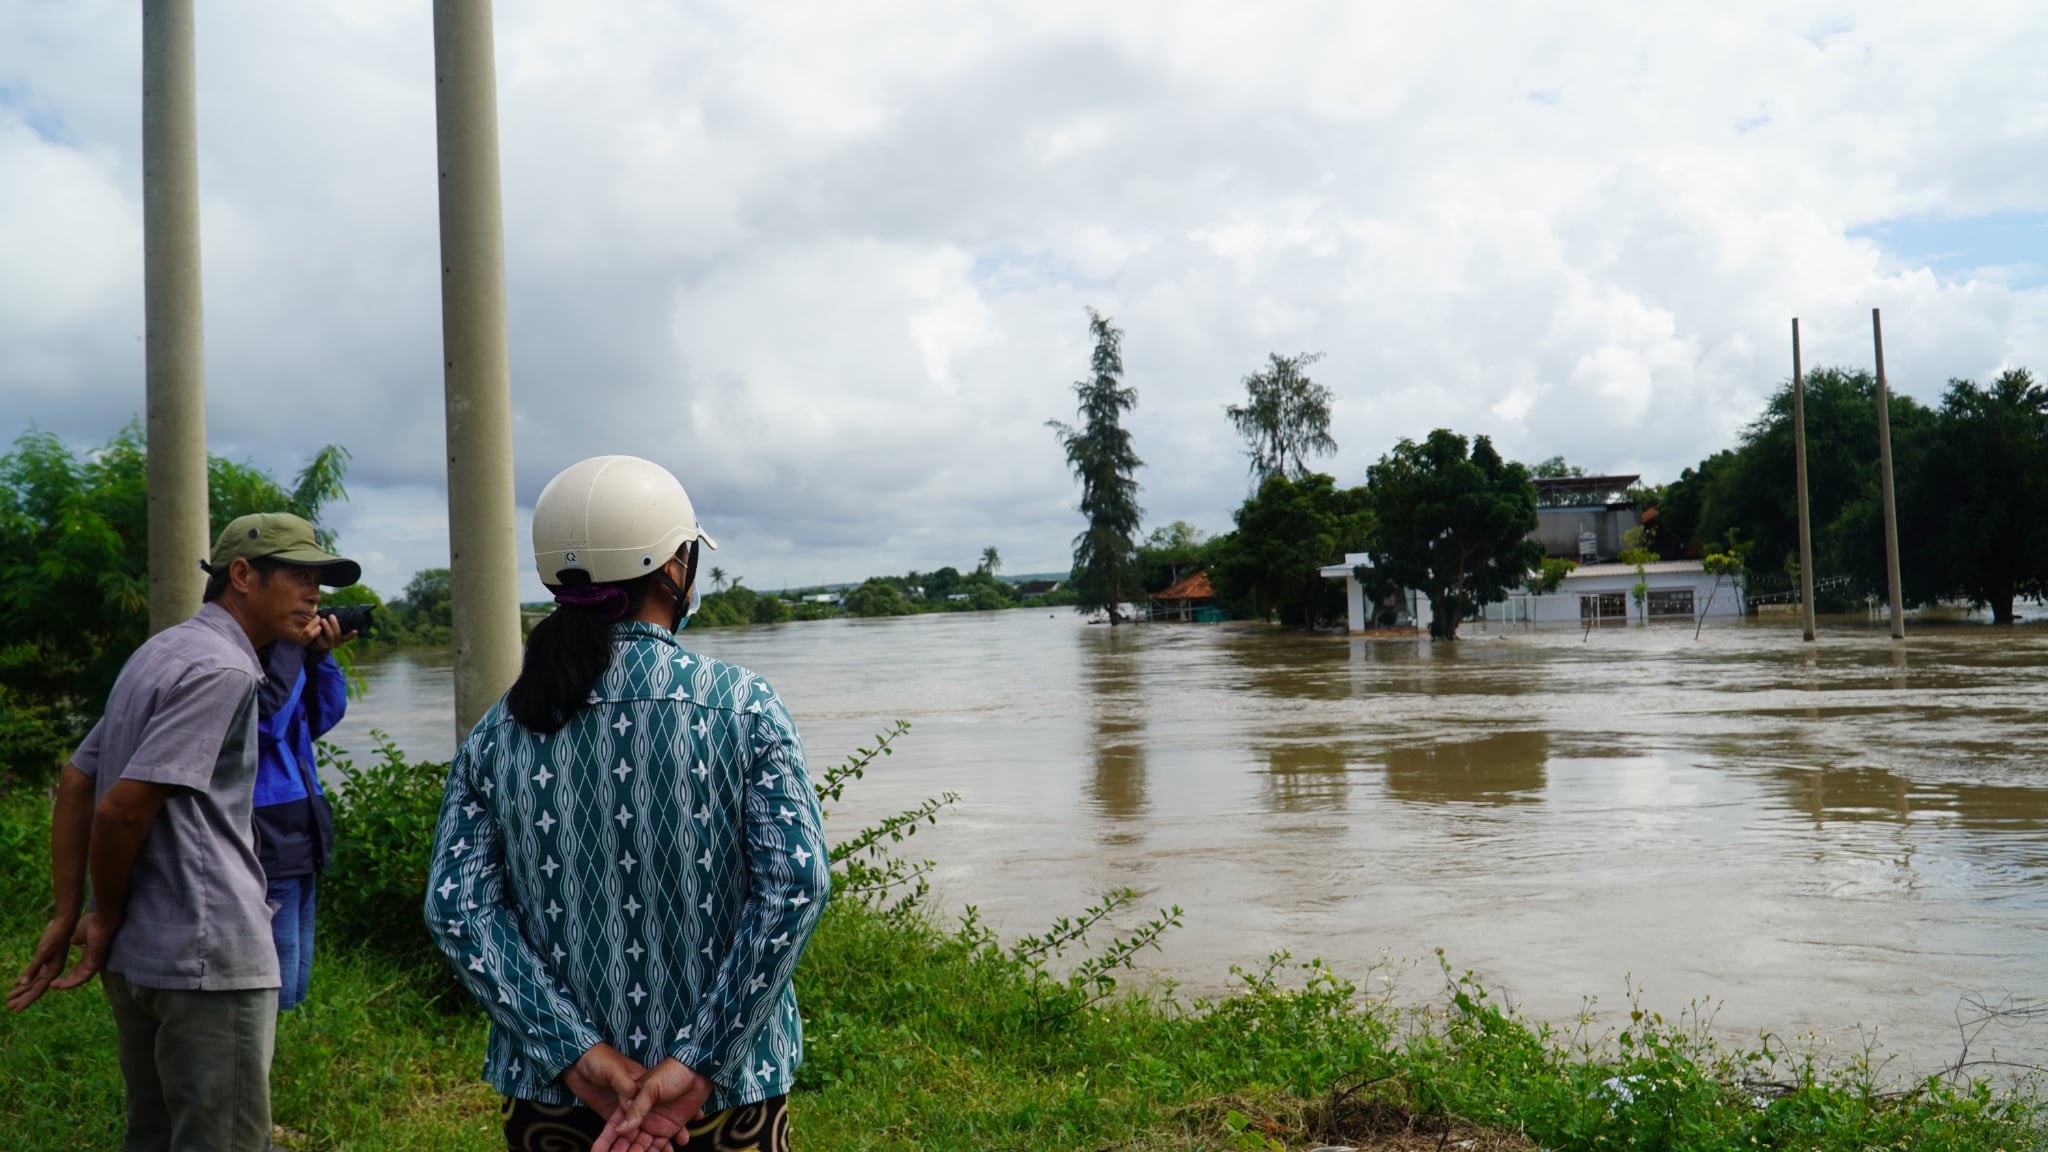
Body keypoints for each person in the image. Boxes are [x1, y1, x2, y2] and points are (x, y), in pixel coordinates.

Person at [425, 455, 829, 1152]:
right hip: (726, 1102)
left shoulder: (501, 728)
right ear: (675, 568)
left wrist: (580, 1058)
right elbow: (797, 886)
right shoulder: (743, 706)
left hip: (557, 1103)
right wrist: (697, 1065)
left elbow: (456, 908)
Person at [8, 512, 360, 1152]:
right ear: (244, 575)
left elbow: (77, 779)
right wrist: (101, 915)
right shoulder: (225, 670)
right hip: (209, 954)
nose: (314, 595)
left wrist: (71, 912)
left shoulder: (162, 650)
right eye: (300, 577)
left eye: (320, 581)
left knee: (155, 1136)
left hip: (147, 959)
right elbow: (119, 809)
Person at [254, 603, 353, 1012]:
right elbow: (267, 724)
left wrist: (320, 655)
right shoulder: (248, 667)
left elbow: (323, 714)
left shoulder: (285, 668)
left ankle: (285, 1035)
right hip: (268, 826)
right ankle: (271, 1039)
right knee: (279, 955)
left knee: (298, 952)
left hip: (302, 822)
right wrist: (291, 648)